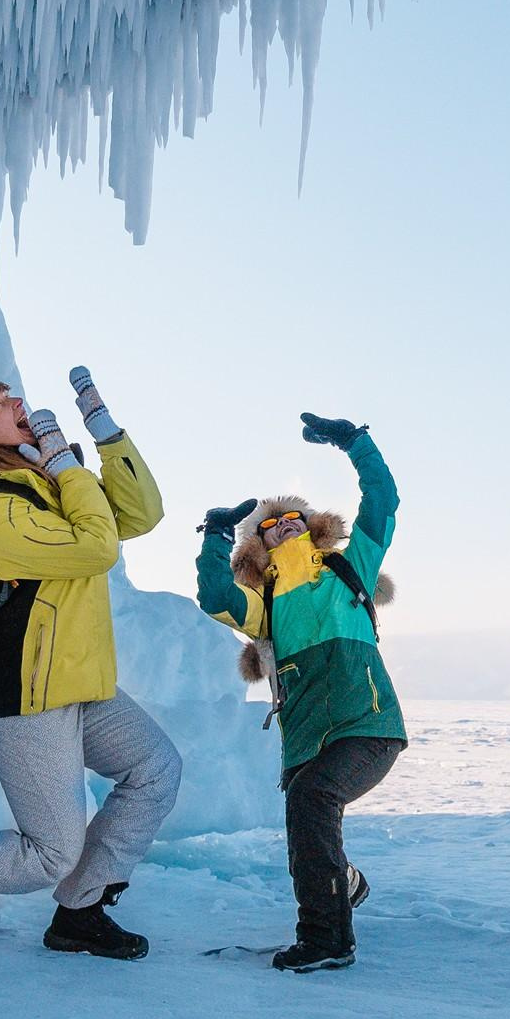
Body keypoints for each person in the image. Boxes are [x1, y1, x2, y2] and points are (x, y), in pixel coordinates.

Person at [0, 368, 180, 960]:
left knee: (155, 768)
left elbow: (141, 515)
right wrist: (66, 465)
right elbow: (96, 548)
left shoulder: (45, 485)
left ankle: (80, 912)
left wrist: (102, 430)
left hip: (78, 680)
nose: (17, 400)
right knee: (50, 852)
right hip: (26, 688)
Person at [195, 411, 406, 973]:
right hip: (307, 739)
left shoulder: (349, 568)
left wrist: (355, 441)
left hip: (369, 724)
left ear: (311, 525)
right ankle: (343, 886)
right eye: (272, 523)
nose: (285, 523)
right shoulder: (264, 607)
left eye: (294, 516)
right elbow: (216, 597)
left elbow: (383, 500)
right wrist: (216, 536)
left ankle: (327, 940)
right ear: (258, 545)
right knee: (309, 813)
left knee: (313, 802)